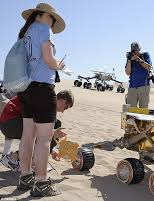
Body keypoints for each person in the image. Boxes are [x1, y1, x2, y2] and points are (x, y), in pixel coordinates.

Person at [14, 3, 66, 197]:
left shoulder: (26, 32)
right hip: (43, 87)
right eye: (52, 18)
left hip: (25, 88)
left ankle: (25, 176)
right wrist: (59, 66)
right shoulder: (44, 29)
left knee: (28, 135)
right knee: (44, 138)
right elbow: (48, 59)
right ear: (45, 15)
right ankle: (41, 182)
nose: (52, 23)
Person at [0, 90, 74, 171]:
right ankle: (12, 158)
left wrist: (51, 151)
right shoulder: (45, 101)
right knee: (49, 129)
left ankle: (31, 162)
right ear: (63, 100)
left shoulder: (48, 103)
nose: (63, 111)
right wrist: (53, 133)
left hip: (11, 123)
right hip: (10, 124)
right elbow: (37, 127)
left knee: (53, 126)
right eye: (65, 107)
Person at [125, 42, 152, 108]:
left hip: (144, 86)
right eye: (133, 51)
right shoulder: (130, 58)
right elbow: (127, 72)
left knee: (143, 110)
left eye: (136, 50)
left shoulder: (145, 55)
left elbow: (148, 67)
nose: (134, 52)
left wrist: (137, 59)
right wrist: (129, 60)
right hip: (132, 87)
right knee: (130, 110)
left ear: (139, 49)